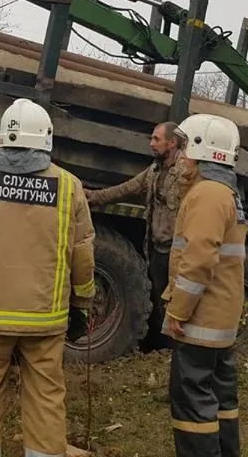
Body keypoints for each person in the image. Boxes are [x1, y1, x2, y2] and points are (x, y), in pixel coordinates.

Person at [0, 97, 96, 457]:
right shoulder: (69, 186)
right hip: (46, 319)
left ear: (2, 139)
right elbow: (83, 253)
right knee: (45, 397)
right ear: (47, 138)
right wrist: (81, 304)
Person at [162, 113, 247, 457]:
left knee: (192, 403)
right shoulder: (226, 190)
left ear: (202, 150)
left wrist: (177, 311)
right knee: (221, 399)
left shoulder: (207, 194)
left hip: (201, 321)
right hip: (220, 318)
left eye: (183, 147)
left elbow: (197, 261)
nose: (179, 156)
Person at [84, 121, 194, 342]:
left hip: (176, 253)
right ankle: (160, 345)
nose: (151, 143)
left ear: (172, 142)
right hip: (156, 248)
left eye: (156, 139)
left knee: (173, 304)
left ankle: (172, 348)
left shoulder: (187, 174)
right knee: (157, 298)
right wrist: (93, 197)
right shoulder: (154, 170)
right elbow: (129, 188)